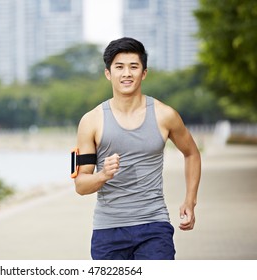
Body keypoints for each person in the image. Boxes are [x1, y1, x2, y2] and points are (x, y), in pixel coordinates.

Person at [74, 37, 201, 260]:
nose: (126, 74)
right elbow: (81, 185)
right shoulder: (91, 121)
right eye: (119, 67)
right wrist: (103, 175)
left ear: (144, 73)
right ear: (108, 73)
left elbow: (191, 153)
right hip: (108, 231)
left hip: (154, 225)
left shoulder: (165, 115)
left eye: (134, 67)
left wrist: (190, 201)